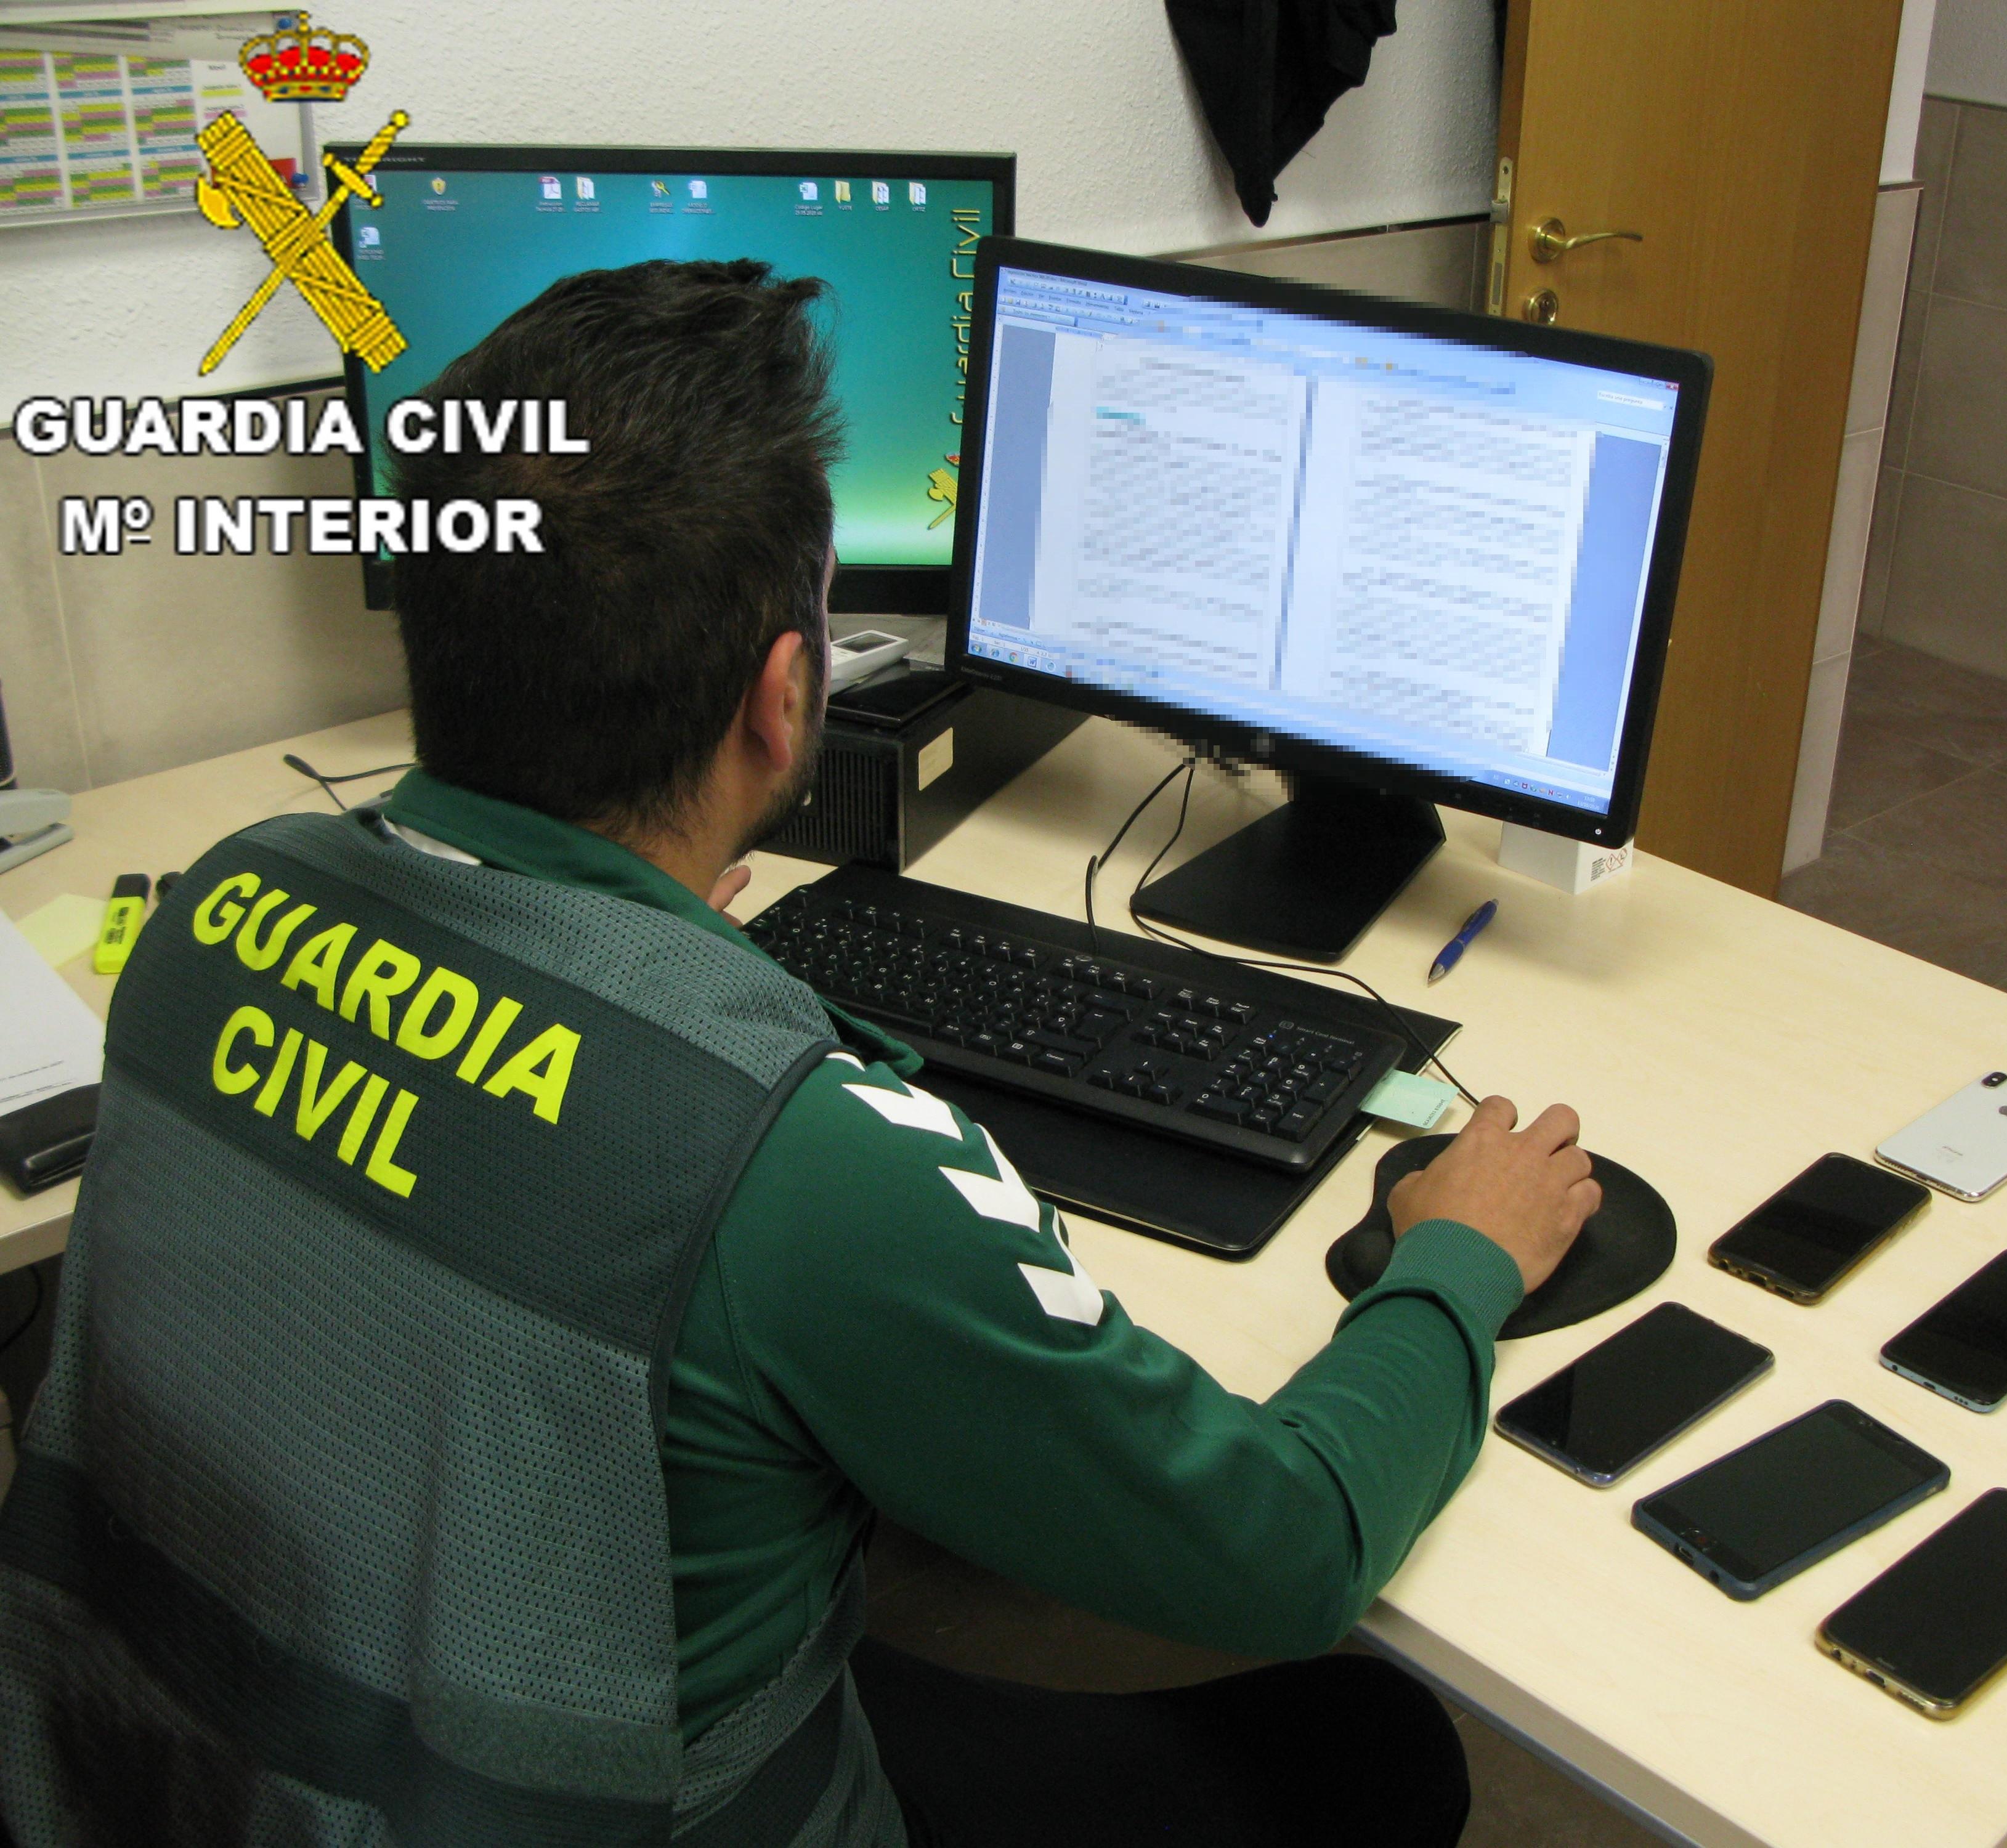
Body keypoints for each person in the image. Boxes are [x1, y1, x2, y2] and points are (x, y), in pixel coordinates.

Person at [0, 259, 1599, 1848]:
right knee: (1373, 1740)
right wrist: (1455, 1258)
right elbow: (1290, 1547)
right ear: (784, 700)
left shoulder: (219, 909)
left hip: (182, 1777)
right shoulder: (799, 1158)